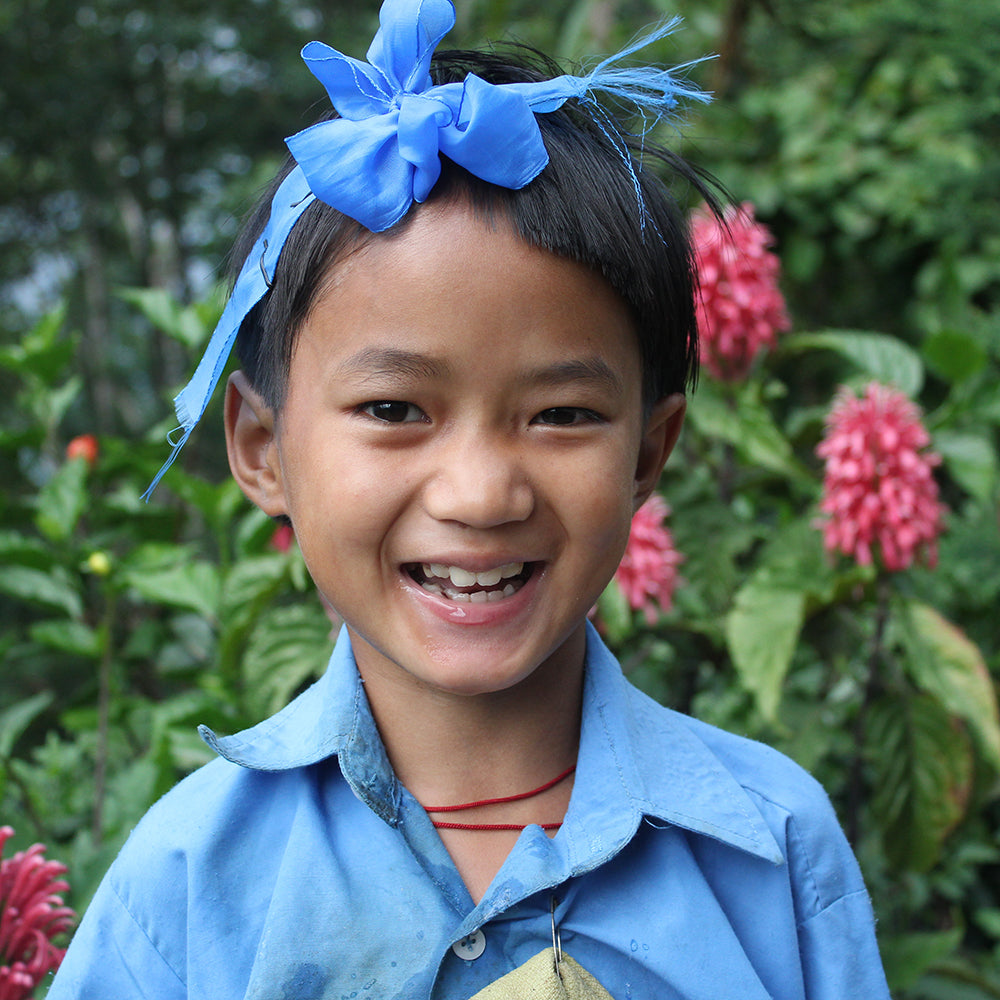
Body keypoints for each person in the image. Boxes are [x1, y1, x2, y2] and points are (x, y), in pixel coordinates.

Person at [49, 1, 892, 997]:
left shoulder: (772, 851)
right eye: (396, 406)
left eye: (562, 414)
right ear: (261, 447)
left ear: (648, 453)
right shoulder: (188, 881)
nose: (481, 492)